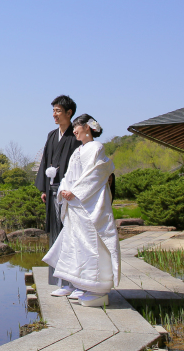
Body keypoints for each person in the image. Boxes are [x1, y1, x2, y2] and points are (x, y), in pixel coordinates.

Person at [42, 114, 120, 307]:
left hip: (88, 204)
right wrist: (64, 190)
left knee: (91, 244)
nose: (74, 130)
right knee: (75, 245)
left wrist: (75, 191)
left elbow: (96, 174)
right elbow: (69, 175)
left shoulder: (97, 147)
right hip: (75, 206)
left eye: (77, 127)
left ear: (87, 128)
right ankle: (79, 284)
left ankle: (97, 287)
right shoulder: (79, 150)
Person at [34, 95, 81, 287]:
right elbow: (46, 161)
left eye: (58, 111)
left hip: (68, 192)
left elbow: (79, 165)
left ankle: (71, 280)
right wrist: (44, 188)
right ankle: (57, 279)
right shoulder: (52, 135)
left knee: (69, 233)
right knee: (54, 232)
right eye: (53, 110)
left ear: (69, 113)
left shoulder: (75, 136)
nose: (54, 114)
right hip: (52, 189)